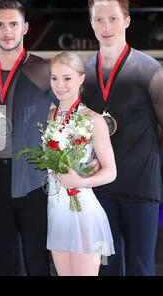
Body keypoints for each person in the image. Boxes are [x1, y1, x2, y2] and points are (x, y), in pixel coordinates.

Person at [81, 0, 163, 276]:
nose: (105, 26)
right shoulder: (83, 72)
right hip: (99, 189)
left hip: (140, 190)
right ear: (91, 23)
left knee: (140, 267)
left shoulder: (150, 71)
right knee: (106, 268)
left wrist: (150, 166)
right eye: (99, 20)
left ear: (126, 21)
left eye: (112, 18)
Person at [0, 0, 55, 276]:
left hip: (34, 180)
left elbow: (73, 113)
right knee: (4, 260)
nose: (7, 31)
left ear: (25, 28)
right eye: (1, 24)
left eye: (14, 24)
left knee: (37, 260)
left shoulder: (44, 70)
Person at [47, 51, 116, 276]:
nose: (60, 85)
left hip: (82, 211)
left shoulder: (93, 119)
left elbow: (111, 172)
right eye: (54, 78)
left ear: (81, 78)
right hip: (56, 211)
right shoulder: (49, 117)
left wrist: (80, 181)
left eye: (67, 78)